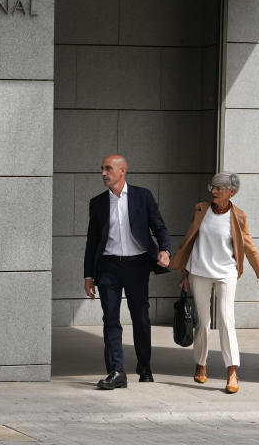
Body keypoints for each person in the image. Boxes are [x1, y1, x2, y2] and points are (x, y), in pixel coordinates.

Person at [170, 172, 259, 394]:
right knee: (204, 321)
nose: (213, 191)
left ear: (231, 192)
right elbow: (191, 241)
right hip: (199, 270)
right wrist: (185, 274)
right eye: (213, 187)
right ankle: (201, 362)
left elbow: (251, 250)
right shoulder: (201, 209)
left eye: (218, 188)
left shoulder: (239, 217)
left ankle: (231, 371)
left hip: (226, 271)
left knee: (226, 319)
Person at [83, 154, 171, 390]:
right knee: (110, 318)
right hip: (109, 267)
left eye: (108, 168)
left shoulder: (142, 196)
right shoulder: (98, 203)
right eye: (102, 169)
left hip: (137, 265)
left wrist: (164, 250)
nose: (103, 173)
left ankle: (144, 366)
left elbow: (159, 226)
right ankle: (116, 371)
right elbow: (92, 242)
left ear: (123, 171)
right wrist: (89, 275)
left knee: (140, 317)